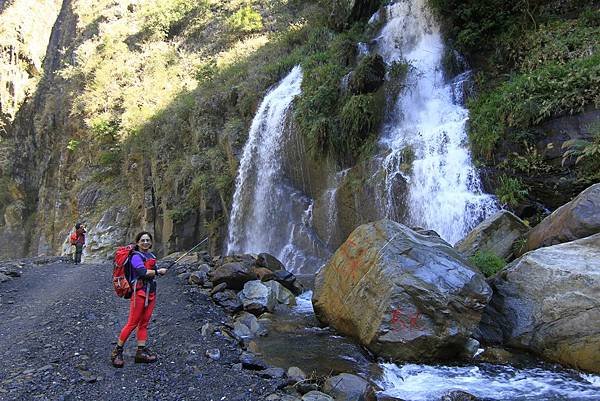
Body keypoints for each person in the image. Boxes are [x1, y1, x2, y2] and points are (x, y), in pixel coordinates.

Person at [111, 232, 167, 368]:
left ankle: (140, 352)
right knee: (132, 323)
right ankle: (116, 351)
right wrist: (158, 271)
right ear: (137, 242)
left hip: (151, 292)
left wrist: (156, 272)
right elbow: (142, 272)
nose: (146, 242)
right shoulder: (136, 256)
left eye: (148, 240)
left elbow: (150, 271)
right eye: (143, 240)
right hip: (139, 293)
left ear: (151, 242)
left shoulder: (151, 256)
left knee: (144, 323)